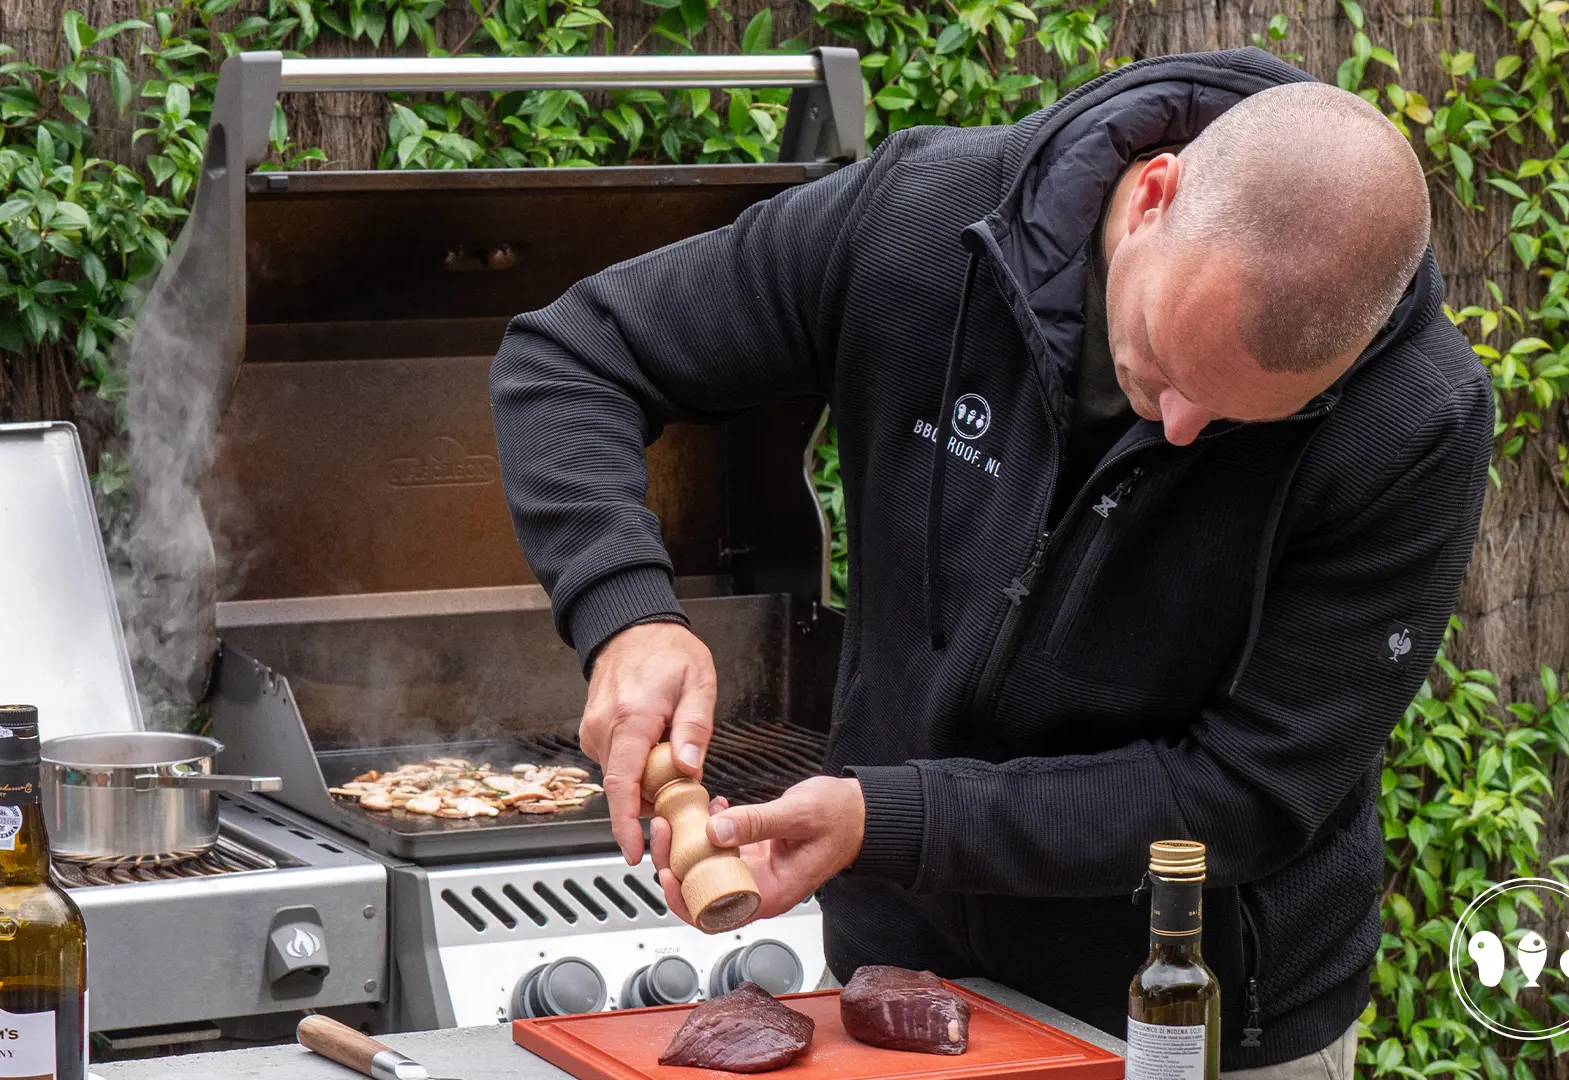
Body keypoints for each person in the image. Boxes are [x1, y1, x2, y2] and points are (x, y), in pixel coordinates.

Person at [489, 47, 1492, 1078]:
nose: (1181, 427)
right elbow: (576, 354)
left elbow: (1246, 793)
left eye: (1244, 417)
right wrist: (626, 613)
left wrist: (895, 820)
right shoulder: (921, 218)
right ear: (1154, 194)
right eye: (1162, 363)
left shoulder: (1415, 417)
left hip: (1196, 1018)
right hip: (896, 983)